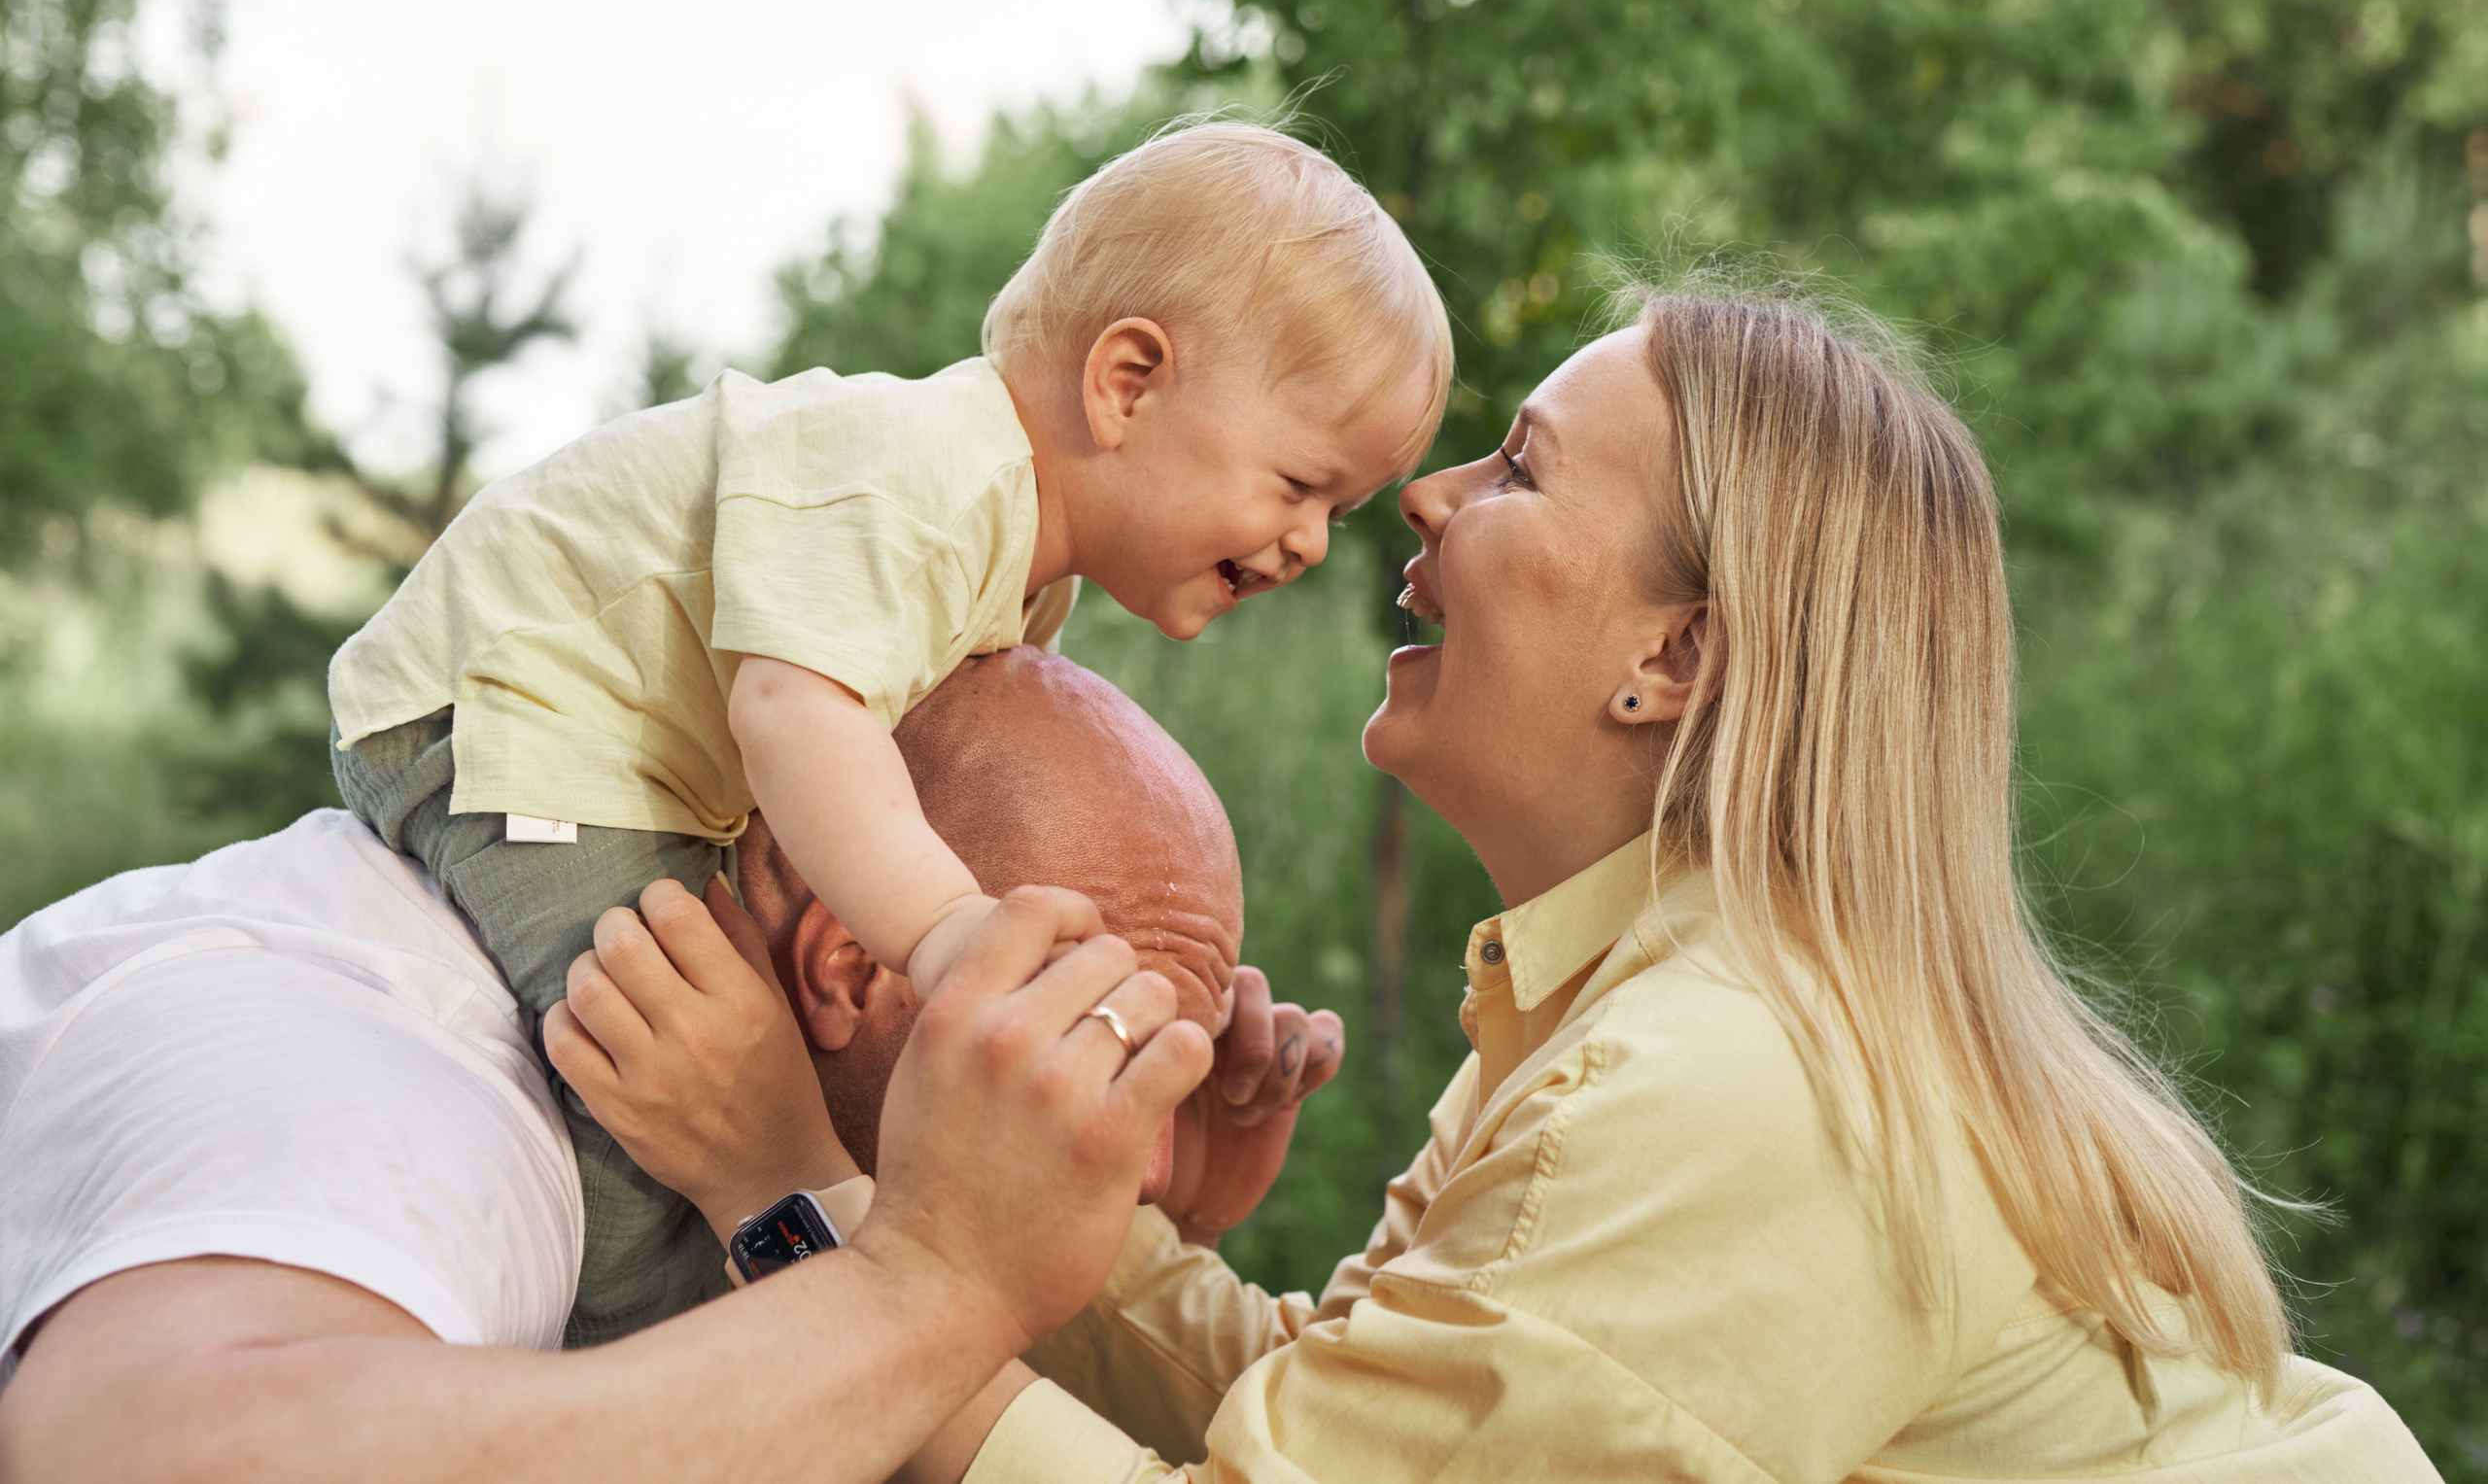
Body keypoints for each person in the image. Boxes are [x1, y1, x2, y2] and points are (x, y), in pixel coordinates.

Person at [584, 290, 2440, 1478]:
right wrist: (1082, 1199)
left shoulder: (1731, 1085)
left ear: (1674, 656)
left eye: (1520, 470)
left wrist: (797, 1191)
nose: (1427, 495)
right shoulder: (1638, 1003)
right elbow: (1326, 1418)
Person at [325, 120, 1445, 1339]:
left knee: (732, 1059)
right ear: (1127, 383)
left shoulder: (1023, 565)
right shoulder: (920, 479)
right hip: (515, 717)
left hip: (615, 754)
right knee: (646, 1083)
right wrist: (945, 929)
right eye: (1299, 486)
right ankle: (598, 1380)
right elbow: (794, 712)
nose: (1310, 543)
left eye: (1340, 509)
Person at [0, 651, 1338, 1482]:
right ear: (853, 968)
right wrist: (926, 1289)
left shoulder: (667, 1147)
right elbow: (131, 1452)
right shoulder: (410, 1064)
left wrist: (1147, 1240)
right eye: (1105, 1035)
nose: (1143, 1158)